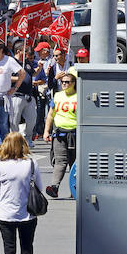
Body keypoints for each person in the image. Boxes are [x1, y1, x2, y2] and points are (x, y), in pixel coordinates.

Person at [0, 132, 43, 254]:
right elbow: (39, 187)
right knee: (27, 250)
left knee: (9, 251)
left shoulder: (1, 165)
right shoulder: (31, 163)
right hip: (28, 213)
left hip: (6, 213)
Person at [43, 70, 77, 198]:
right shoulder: (57, 96)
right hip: (59, 134)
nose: (64, 84)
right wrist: (46, 131)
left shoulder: (79, 96)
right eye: (62, 82)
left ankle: (75, 190)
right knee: (60, 161)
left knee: (75, 163)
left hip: (75, 134)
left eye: (67, 82)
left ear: (74, 83)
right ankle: (54, 187)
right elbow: (50, 115)